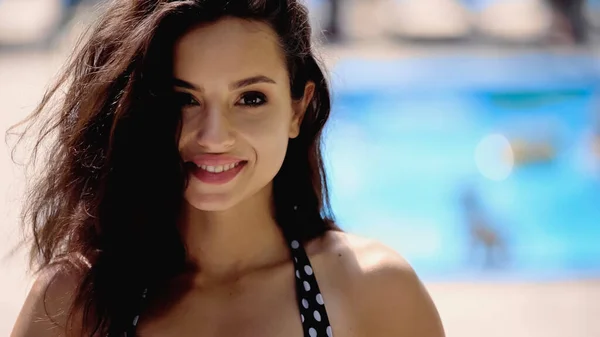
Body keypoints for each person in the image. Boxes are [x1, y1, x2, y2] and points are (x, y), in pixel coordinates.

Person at [10, 1, 444, 336]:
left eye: (250, 98)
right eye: (185, 98)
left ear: (298, 108)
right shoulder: (70, 302)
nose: (214, 136)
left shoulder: (375, 292)